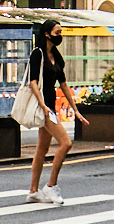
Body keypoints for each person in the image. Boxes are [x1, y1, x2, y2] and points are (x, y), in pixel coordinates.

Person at [26, 20, 87, 205]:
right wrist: (42, 105)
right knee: (65, 143)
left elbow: (64, 85)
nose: (60, 35)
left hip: (50, 106)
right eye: (57, 32)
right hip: (43, 107)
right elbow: (33, 82)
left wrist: (75, 110)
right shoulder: (38, 54)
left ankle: (33, 191)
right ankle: (51, 186)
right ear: (46, 34)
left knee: (42, 149)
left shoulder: (56, 57)